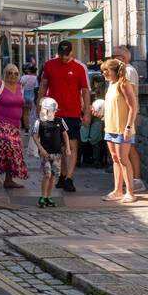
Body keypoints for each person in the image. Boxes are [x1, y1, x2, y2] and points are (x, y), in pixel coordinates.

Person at [38, 40, 89, 193]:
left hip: (72, 113)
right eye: (61, 54)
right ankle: (63, 175)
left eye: (67, 54)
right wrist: (40, 104)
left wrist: (86, 112)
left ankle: (69, 178)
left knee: (72, 146)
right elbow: (43, 85)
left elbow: (85, 91)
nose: (64, 57)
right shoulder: (49, 65)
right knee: (59, 146)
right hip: (53, 113)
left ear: (72, 52)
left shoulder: (79, 68)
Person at [101, 58, 139, 203]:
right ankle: (117, 190)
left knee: (124, 159)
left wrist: (129, 127)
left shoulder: (124, 84)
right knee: (115, 159)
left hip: (123, 128)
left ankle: (130, 192)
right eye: (103, 71)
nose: (104, 74)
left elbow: (132, 107)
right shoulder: (111, 84)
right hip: (110, 127)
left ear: (115, 71)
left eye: (107, 71)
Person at [111, 44, 145, 193]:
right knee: (127, 150)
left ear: (123, 57)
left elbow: (130, 97)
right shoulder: (122, 71)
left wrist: (131, 119)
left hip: (127, 116)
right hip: (122, 115)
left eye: (115, 56)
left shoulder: (128, 71)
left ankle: (136, 180)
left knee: (129, 149)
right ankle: (130, 181)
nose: (113, 59)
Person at [31, 97, 69, 208]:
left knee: (53, 176)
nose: (55, 112)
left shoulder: (60, 121)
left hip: (57, 154)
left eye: (55, 110)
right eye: (53, 110)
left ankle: (48, 197)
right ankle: (42, 196)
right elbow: (35, 136)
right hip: (45, 154)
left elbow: (65, 134)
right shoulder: (40, 122)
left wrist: (68, 148)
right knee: (47, 175)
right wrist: (41, 149)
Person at [79, 100, 107, 167]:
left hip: (96, 124)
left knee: (95, 142)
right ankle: (81, 159)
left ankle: (96, 160)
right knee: (83, 142)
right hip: (87, 124)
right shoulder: (86, 108)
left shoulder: (98, 107)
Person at [19, 63, 39, 131]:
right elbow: (36, 88)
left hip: (25, 96)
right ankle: (34, 128)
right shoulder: (36, 78)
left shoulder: (23, 77)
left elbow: (20, 86)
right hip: (33, 96)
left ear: (28, 70)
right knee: (33, 113)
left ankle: (26, 129)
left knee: (25, 113)